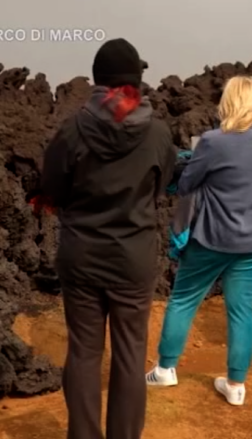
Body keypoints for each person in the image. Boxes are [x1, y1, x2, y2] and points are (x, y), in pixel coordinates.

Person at [40, 38, 177, 439]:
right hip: (133, 259)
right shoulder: (157, 134)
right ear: (136, 81)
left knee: (83, 352)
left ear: (97, 80)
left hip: (81, 256)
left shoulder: (72, 129)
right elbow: (161, 186)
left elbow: (53, 188)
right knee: (131, 356)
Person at [145, 76, 252, 407]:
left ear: (227, 102)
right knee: (241, 309)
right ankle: (236, 385)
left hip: (214, 238)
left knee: (184, 300)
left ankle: (165, 370)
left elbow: (189, 182)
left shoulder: (212, 141)